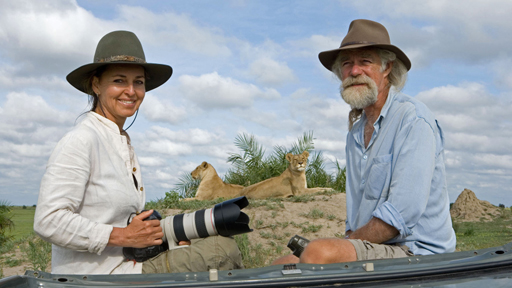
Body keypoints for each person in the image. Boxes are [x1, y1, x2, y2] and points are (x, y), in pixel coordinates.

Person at [34, 30, 243, 275]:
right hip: (96, 276)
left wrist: (165, 239)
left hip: (126, 263)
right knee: (221, 250)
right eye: (119, 80)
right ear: (96, 84)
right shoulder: (81, 140)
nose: (131, 91)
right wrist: (122, 236)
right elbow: (48, 220)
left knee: (212, 236)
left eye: (138, 82)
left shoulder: (120, 141)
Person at [273, 19, 456, 265]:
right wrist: (349, 241)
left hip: (417, 252)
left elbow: (399, 216)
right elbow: (356, 218)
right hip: (377, 247)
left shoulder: (413, 119)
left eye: (365, 61)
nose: (354, 71)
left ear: (387, 67)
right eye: (347, 63)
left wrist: (344, 244)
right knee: (282, 264)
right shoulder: (356, 133)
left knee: (318, 253)